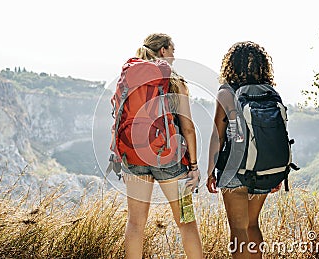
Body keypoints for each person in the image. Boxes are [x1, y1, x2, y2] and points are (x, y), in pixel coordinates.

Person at [115, 33, 203, 259]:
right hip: (169, 158)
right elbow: (188, 127)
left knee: (135, 223)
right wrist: (193, 165)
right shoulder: (174, 80)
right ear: (163, 50)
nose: (173, 58)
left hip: (133, 156)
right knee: (186, 221)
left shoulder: (128, 76)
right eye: (172, 52)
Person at [206, 41, 281, 259]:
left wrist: (211, 170)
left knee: (238, 230)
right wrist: (276, 171)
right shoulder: (270, 93)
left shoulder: (226, 92)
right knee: (252, 225)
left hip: (234, 169)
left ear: (230, 65)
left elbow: (217, 135)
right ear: (262, 65)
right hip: (264, 166)